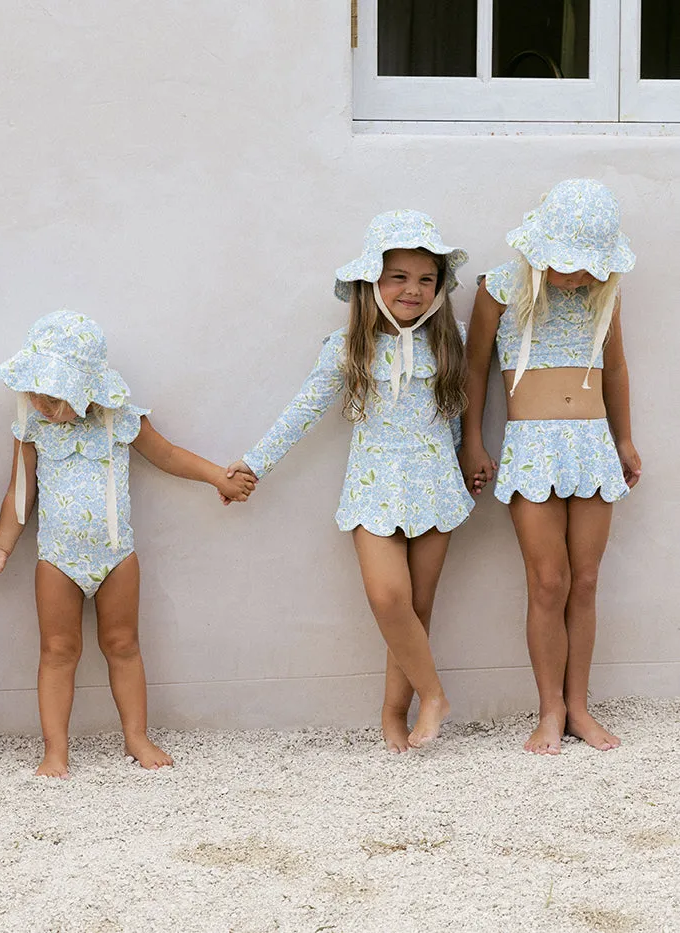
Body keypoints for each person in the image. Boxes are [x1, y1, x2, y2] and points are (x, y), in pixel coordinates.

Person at [227, 211, 477, 751]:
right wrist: (254, 464)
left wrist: (462, 462)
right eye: (399, 277)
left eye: (425, 279)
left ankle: (394, 712)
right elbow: (301, 411)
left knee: (417, 607)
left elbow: (456, 413)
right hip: (374, 485)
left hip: (435, 483)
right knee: (389, 598)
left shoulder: (452, 340)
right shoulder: (347, 347)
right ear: (371, 283)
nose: (413, 290)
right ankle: (434, 695)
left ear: (439, 287)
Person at [0, 311, 255, 777]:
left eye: (54, 394)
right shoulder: (32, 426)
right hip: (57, 559)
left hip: (116, 555)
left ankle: (138, 737)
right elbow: (20, 491)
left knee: (123, 645)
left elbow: (167, 455)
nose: (41, 401)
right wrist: (1, 546)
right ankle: (55, 749)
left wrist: (214, 476)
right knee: (57, 651)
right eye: (35, 390)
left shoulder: (118, 418)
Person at [460, 178, 641, 755]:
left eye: (589, 265)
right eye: (568, 264)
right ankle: (550, 709)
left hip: (591, 444)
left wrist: (625, 440)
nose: (578, 275)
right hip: (531, 446)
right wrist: (472, 441)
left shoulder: (603, 295)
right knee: (548, 580)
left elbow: (615, 369)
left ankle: (581, 708)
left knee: (585, 580)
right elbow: (474, 372)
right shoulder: (498, 288)